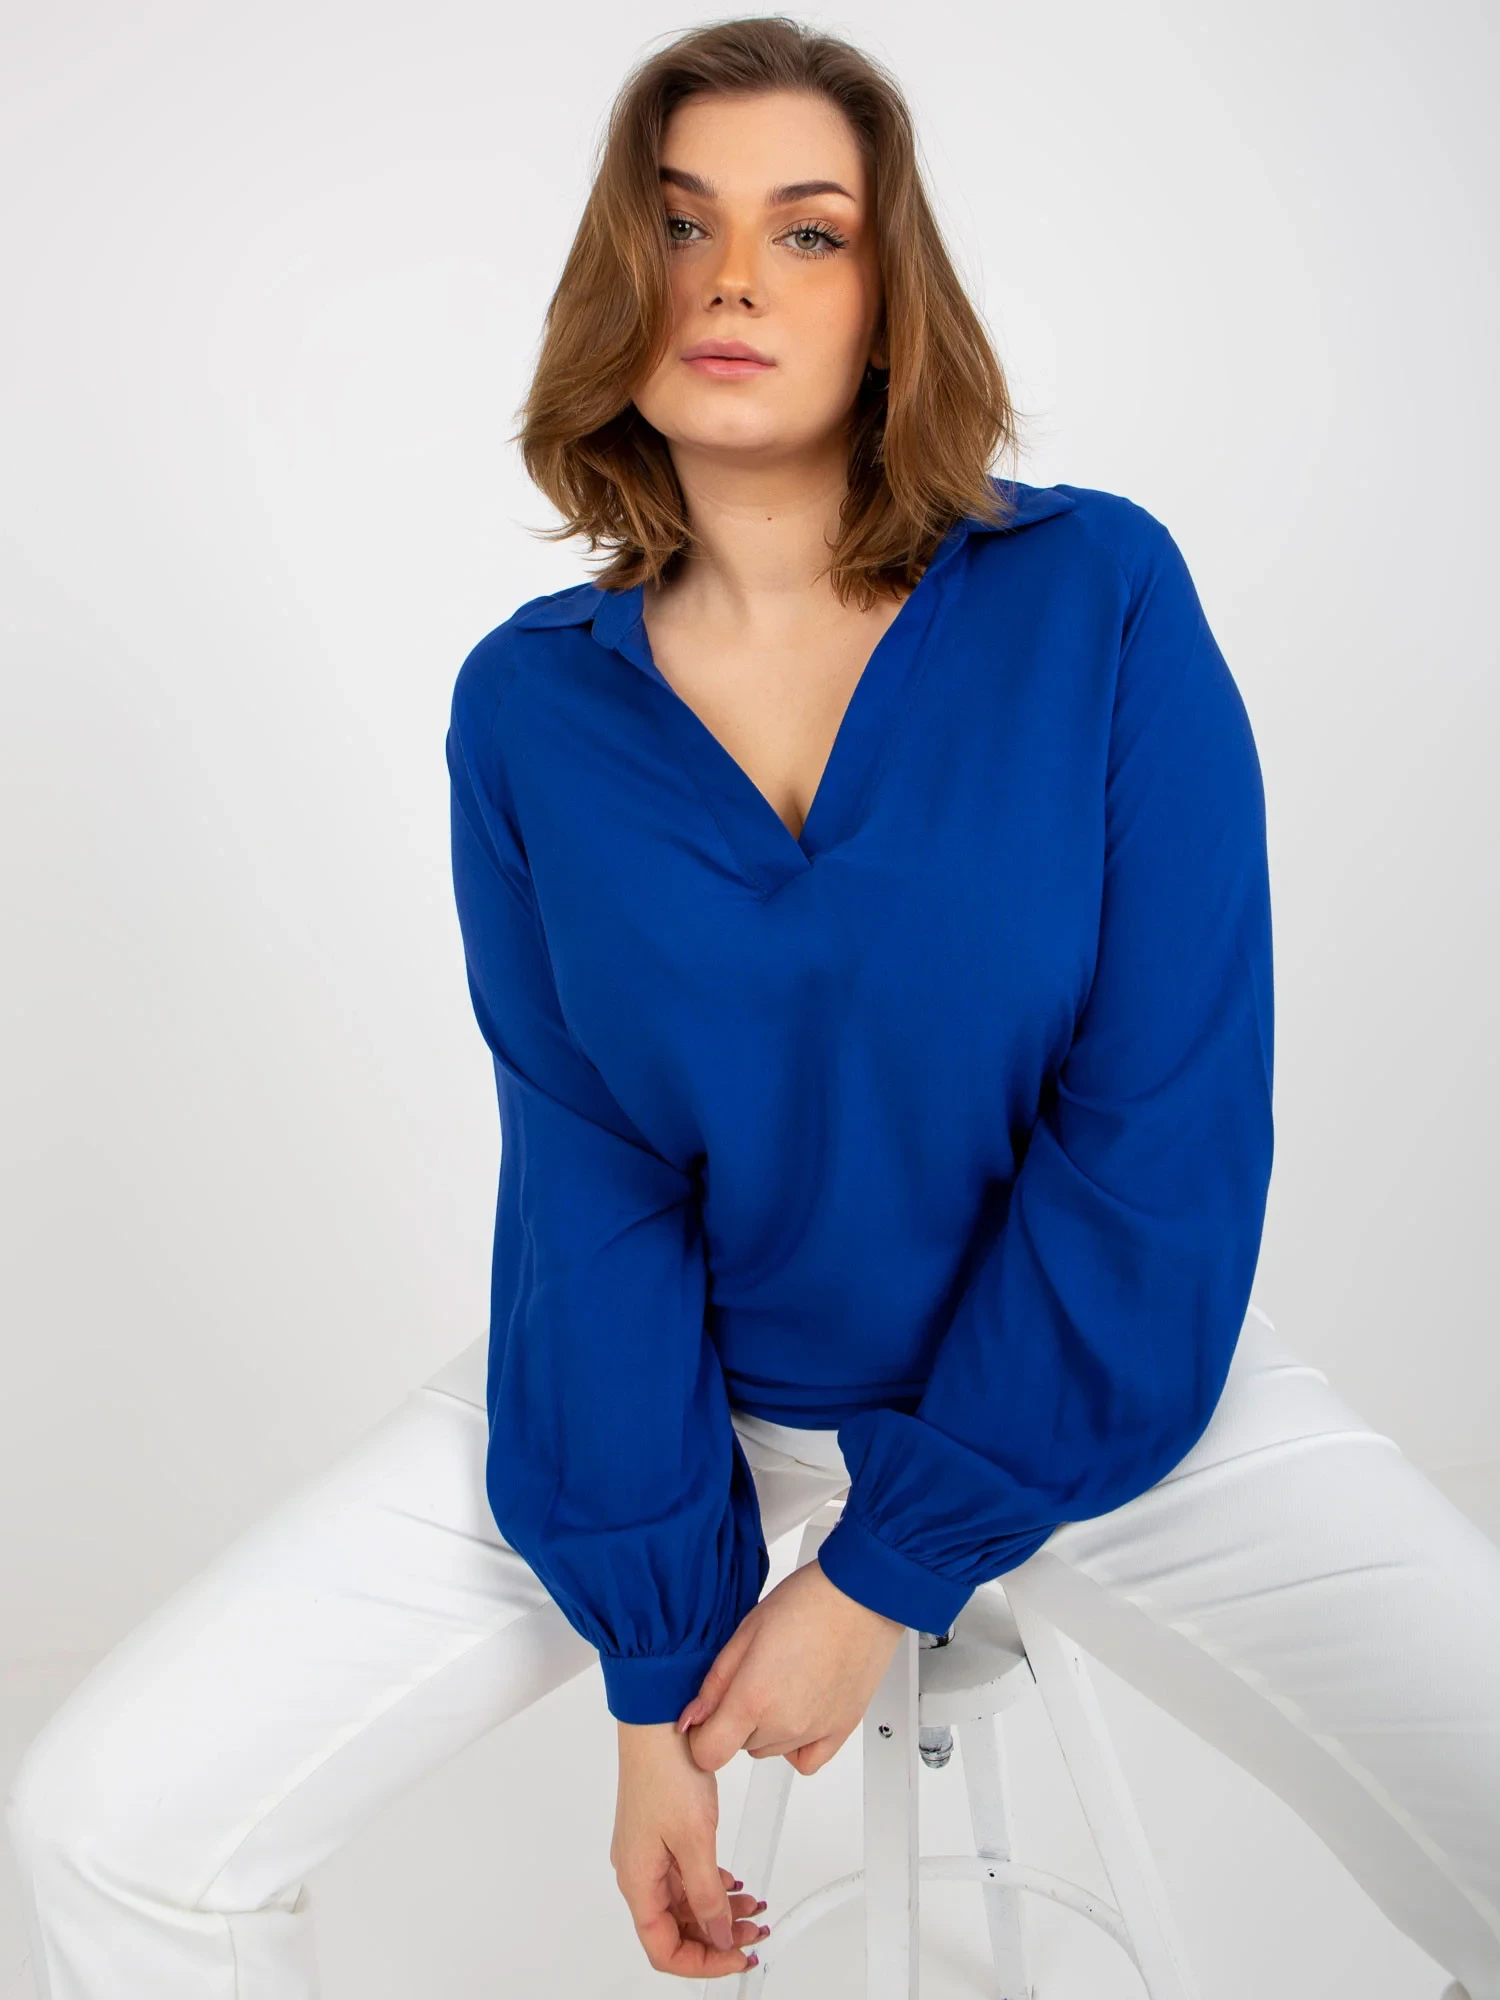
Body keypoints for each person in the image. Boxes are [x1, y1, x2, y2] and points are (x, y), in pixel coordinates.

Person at [6, 15, 1499, 1997]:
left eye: (808, 232)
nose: (730, 279)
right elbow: (591, 1180)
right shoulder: (530, 705)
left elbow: (1165, 1123)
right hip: (685, 1400)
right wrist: (656, 1679)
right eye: (680, 224)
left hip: (1097, 1376)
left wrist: (882, 1577)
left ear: (889, 307)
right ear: (615, 288)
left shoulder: (1096, 597)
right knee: (112, 1825)